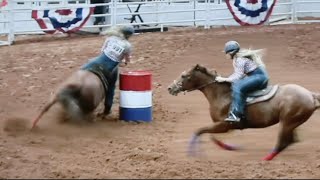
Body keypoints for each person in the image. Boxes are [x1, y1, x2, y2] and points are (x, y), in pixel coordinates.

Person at [81, 25, 134, 116]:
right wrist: (123, 62)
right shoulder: (127, 46)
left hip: (96, 62)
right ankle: (107, 109)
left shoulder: (111, 38)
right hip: (110, 68)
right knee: (110, 88)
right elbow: (126, 60)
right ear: (129, 35)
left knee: (81, 71)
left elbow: (102, 51)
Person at [215, 40, 269, 123]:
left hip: (259, 77)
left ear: (232, 52)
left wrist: (224, 79)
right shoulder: (236, 60)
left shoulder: (240, 60)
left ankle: (235, 114)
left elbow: (238, 76)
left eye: (227, 53)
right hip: (258, 76)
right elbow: (237, 74)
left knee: (237, 87)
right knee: (237, 85)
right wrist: (226, 79)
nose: (226, 55)